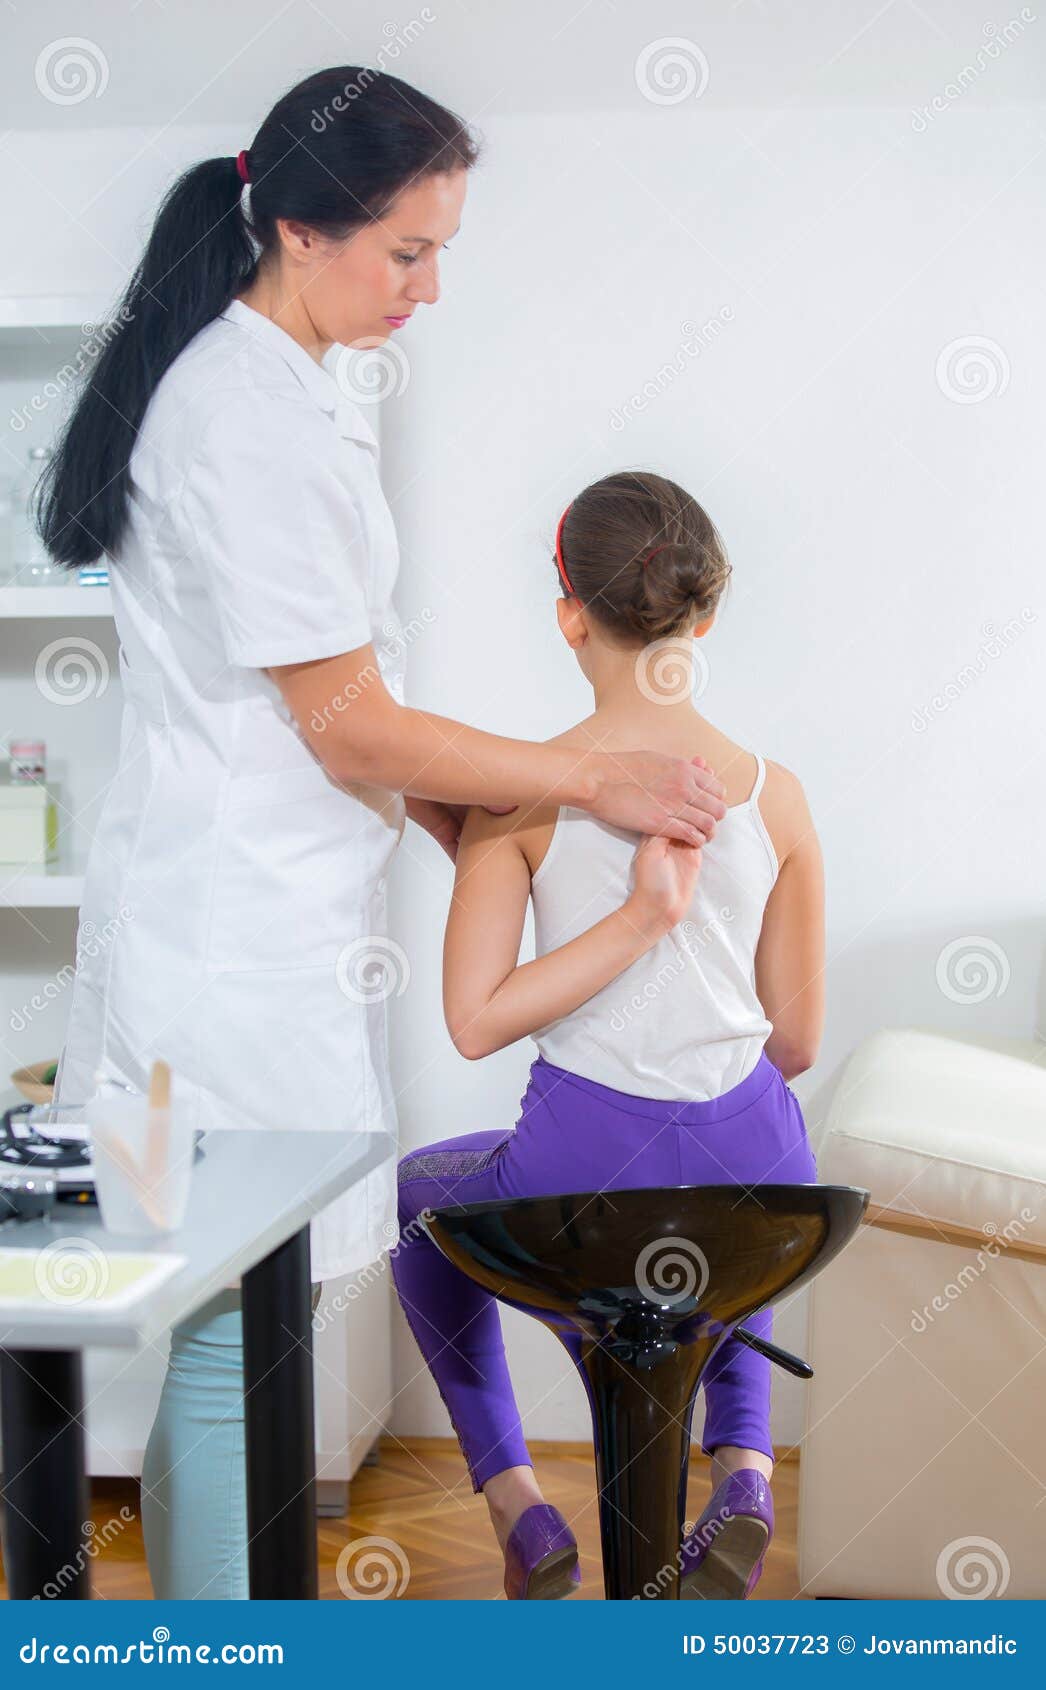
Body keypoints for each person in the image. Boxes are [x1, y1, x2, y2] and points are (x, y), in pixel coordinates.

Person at [37, 71, 726, 1599]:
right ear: (298, 227)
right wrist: (583, 785)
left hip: (237, 927)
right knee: (233, 1326)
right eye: (406, 251)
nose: (426, 284)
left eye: (440, 251)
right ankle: (230, 1642)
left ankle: (218, 1627)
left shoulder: (284, 386)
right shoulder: (241, 412)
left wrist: (477, 806)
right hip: (227, 958)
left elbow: (336, 704)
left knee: (226, 1321)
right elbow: (343, 718)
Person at [391, 469, 826, 1600]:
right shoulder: (777, 798)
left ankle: (519, 1505)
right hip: (757, 1185)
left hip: (579, 1184)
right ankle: (740, 1468)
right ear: (704, 611)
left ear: (567, 609)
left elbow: (474, 1020)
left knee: (413, 1192)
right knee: (747, 1168)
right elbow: (794, 1039)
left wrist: (528, 878)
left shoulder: (517, 799)